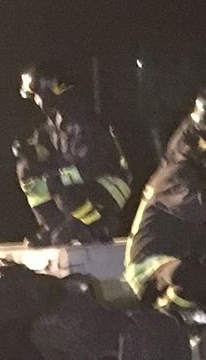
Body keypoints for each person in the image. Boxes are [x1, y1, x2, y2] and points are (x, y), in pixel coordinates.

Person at [123, 91, 206, 310]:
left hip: (183, 258)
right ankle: (166, 313)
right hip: (149, 266)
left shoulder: (199, 170)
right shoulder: (174, 174)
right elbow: (201, 206)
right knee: (197, 281)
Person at [15, 63, 133, 246]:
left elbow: (89, 168)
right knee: (26, 169)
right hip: (79, 183)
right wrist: (29, 152)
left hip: (111, 182)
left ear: (52, 88)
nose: (36, 101)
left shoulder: (83, 120)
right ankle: (53, 225)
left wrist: (55, 179)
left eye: (37, 94)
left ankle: (97, 225)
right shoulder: (54, 121)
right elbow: (43, 152)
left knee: (61, 187)